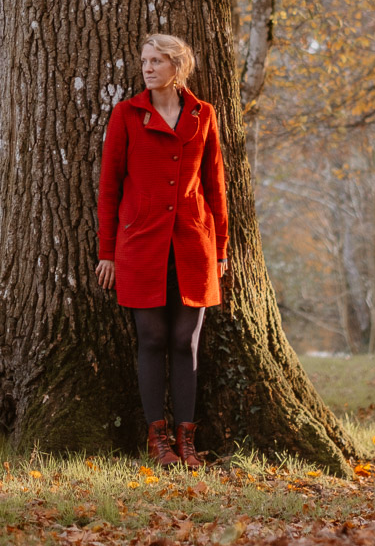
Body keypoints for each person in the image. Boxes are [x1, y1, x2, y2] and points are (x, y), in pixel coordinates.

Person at [96, 33, 229, 469]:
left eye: (157, 61)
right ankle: (159, 442)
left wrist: (222, 248)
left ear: (178, 66)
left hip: (194, 243)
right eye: (145, 61)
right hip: (139, 245)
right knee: (151, 338)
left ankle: (186, 441)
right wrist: (107, 251)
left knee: (184, 341)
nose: (148, 68)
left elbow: (216, 186)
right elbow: (110, 187)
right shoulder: (127, 114)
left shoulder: (203, 114)